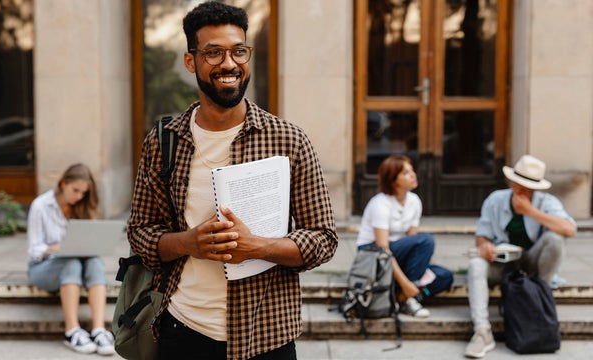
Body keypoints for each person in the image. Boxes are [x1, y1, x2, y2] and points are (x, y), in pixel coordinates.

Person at [126, 2, 338, 359]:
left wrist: (257, 247)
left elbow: (324, 238)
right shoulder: (164, 140)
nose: (229, 64)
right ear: (191, 61)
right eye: (214, 53)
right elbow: (140, 233)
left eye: (239, 51)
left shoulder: (289, 140)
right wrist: (188, 242)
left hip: (266, 334)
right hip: (183, 329)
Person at [464, 154, 576, 358]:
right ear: (511, 181)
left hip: (533, 266)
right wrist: (485, 246)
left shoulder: (547, 202)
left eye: (526, 187)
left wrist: (531, 211)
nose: (519, 190)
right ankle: (482, 331)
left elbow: (569, 229)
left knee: (555, 239)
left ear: (535, 188)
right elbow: (481, 236)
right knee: (475, 265)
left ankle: (536, 302)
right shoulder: (496, 200)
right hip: (503, 263)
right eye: (517, 184)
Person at [27, 163, 115, 356]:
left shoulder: (82, 206)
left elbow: (88, 240)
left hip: (77, 264)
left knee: (94, 261)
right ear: (63, 183)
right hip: (42, 268)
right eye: (75, 190)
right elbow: (34, 251)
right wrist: (57, 248)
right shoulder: (41, 206)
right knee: (70, 263)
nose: (79, 196)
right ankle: (71, 330)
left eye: (83, 193)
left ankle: (99, 329)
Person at [356, 154, 454, 318]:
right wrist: (405, 283)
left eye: (412, 170)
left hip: (397, 254)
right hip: (374, 256)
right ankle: (408, 296)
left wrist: (412, 278)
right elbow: (383, 249)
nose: (413, 175)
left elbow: (412, 243)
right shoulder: (380, 204)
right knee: (426, 240)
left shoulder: (414, 201)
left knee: (444, 277)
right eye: (406, 173)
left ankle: (402, 298)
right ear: (393, 181)